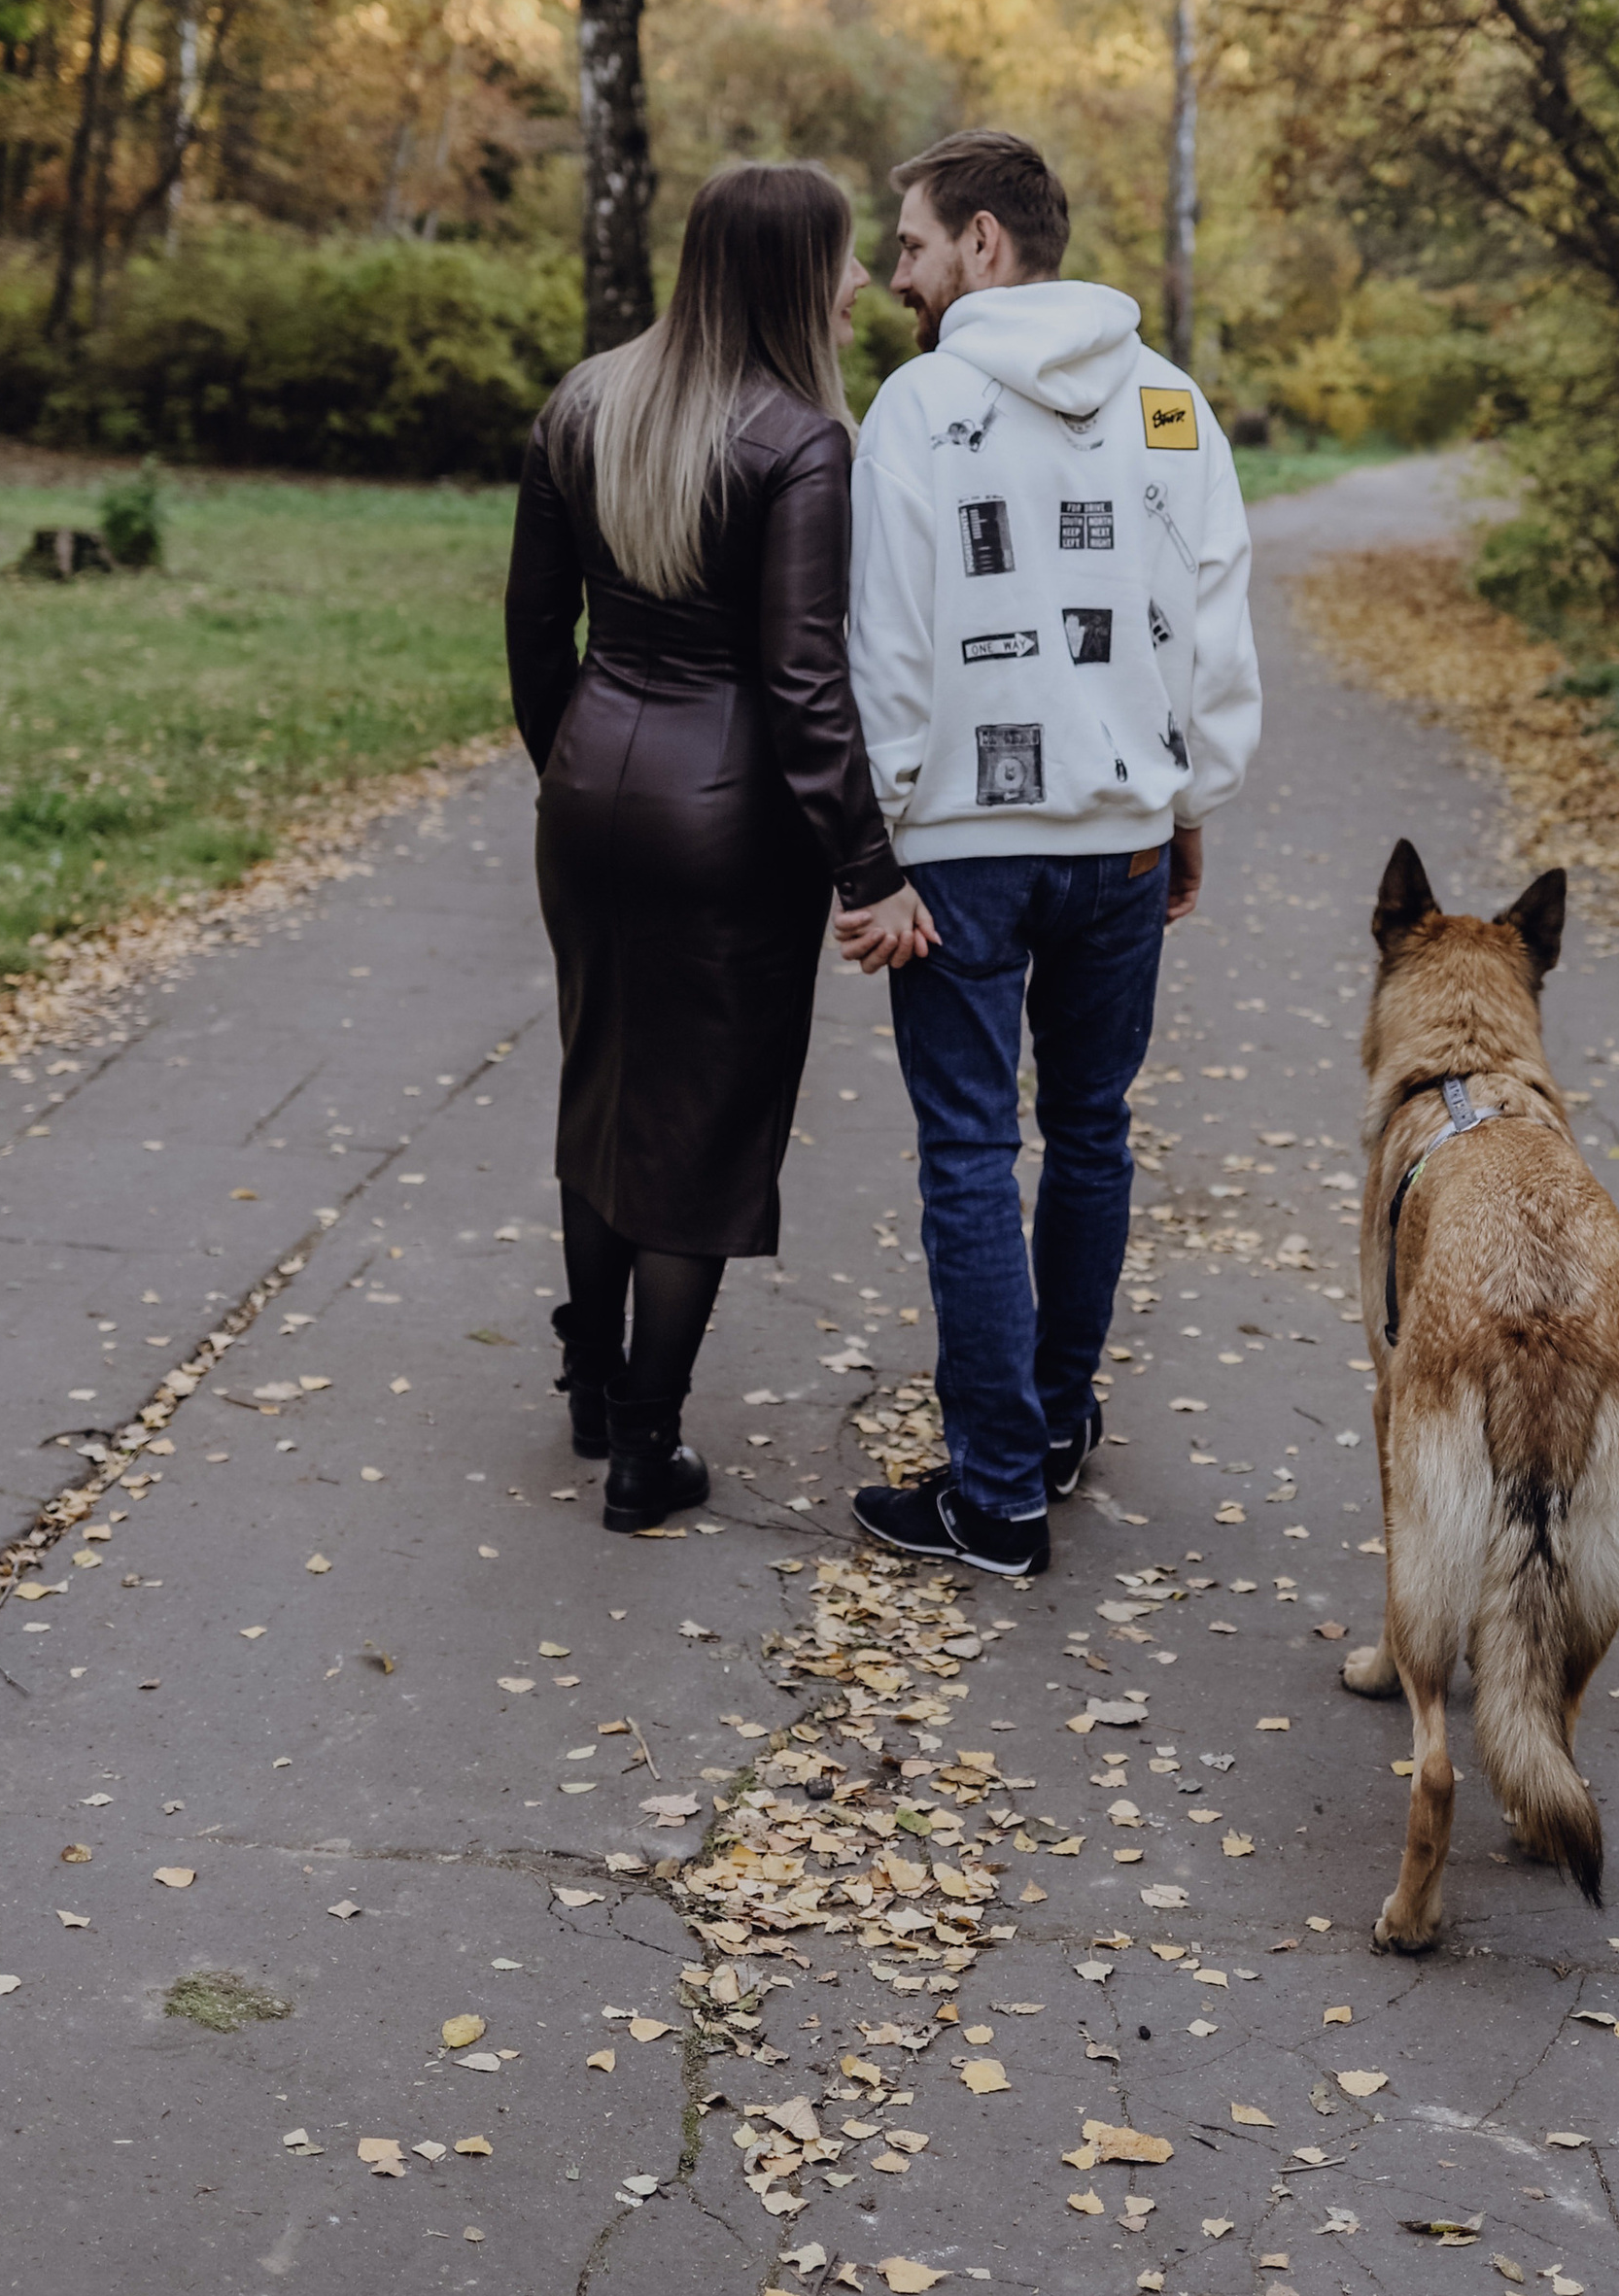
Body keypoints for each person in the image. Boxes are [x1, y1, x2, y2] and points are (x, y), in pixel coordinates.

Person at [839, 127, 1261, 1574]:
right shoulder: (1172, 403)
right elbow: (1211, 628)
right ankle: (1056, 1425)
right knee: (1090, 1132)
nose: (898, 275)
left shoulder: (920, 404)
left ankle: (998, 1492)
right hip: (1125, 839)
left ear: (984, 243)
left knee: (970, 1147)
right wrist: (1188, 805)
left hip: (962, 848)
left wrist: (878, 840)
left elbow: (889, 642)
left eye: (911, 244)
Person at [504, 161, 933, 1531]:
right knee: (703, 1123)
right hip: (731, 823)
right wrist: (870, 867)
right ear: (792, 272)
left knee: (604, 1078)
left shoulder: (586, 402)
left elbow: (535, 636)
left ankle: (591, 1378)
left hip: (589, 794)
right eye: (844, 257)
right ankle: (646, 1449)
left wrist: (573, 775)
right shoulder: (802, 439)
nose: (859, 281)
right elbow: (803, 684)